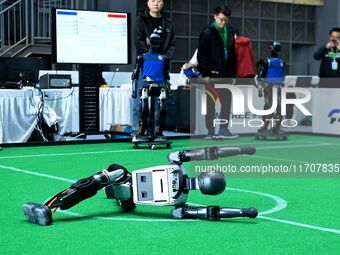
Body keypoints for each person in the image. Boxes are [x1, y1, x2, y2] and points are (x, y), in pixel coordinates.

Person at [132, 0, 175, 140]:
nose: (156, 3)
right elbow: (138, 41)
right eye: (153, 0)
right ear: (148, 2)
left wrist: (164, 58)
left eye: (159, 1)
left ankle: (157, 130)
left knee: (160, 101)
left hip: (162, 67)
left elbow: (173, 44)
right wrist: (150, 57)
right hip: (145, 65)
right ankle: (138, 130)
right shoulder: (140, 20)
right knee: (141, 99)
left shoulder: (168, 23)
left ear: (163, 3)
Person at [197, 5, 238, 139]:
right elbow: (201, 55)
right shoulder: (207, 32)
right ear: (214, 17)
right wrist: (205, 74)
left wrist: (232, 74)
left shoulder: (231, 31)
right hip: (211, 76)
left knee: (226, 104)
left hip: (226, 75)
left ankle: (224, 129)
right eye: (221, 19)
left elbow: (233, 54)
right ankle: (210, 131)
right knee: (210, 105)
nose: (223, 22)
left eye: (226, 20)